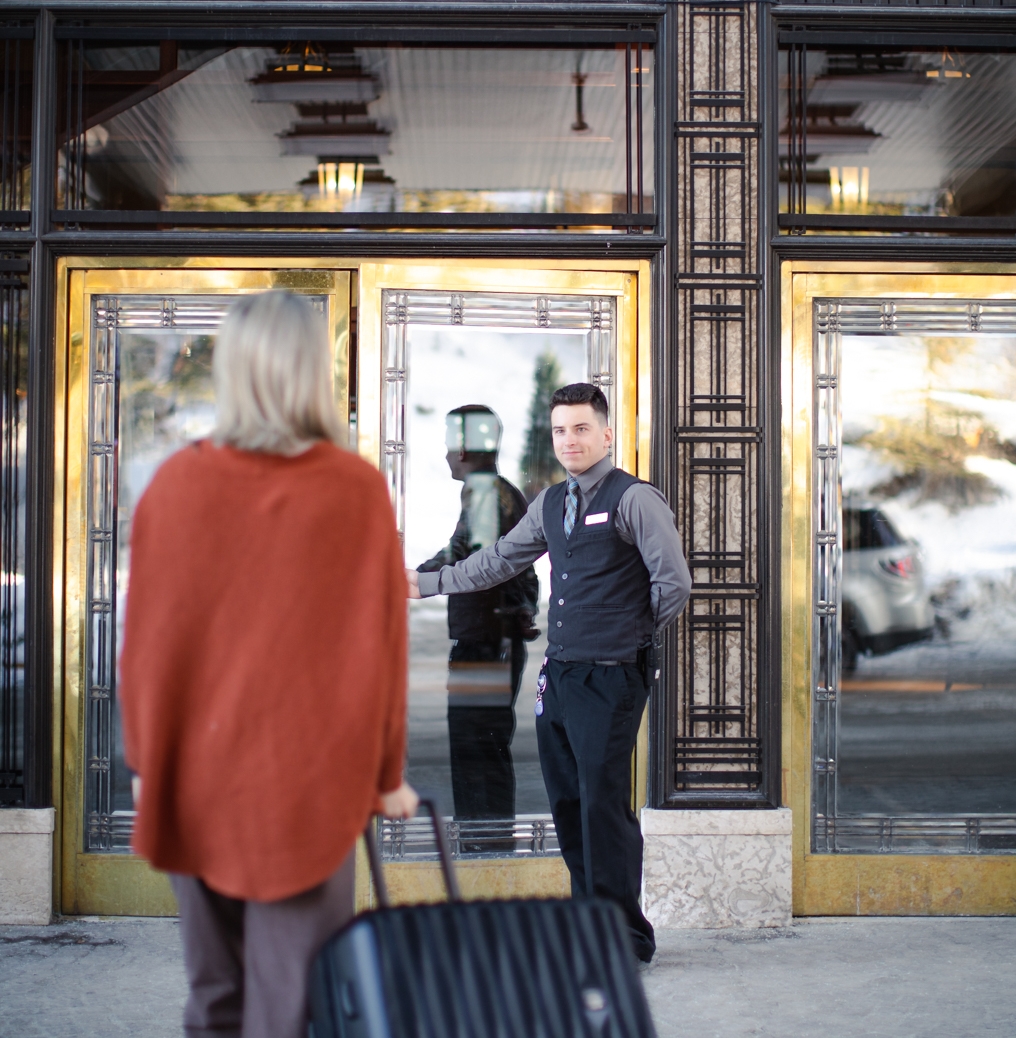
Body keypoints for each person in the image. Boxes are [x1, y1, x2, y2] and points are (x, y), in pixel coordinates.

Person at [120, 291, 418, 1038]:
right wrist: (385, 777)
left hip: (195, 776)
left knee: (214, 997)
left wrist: (146, 761)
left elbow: (146, 650)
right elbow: (380, 651)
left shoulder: (175, 488)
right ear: (313, 372)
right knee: (292, 1006)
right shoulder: (355, 491)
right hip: (308, 786)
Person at [407, 382, 691, 963]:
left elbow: (674, 586)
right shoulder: (550, 502)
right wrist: (423, 583)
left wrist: (631, 638)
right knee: (567, 803)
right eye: (561, 430)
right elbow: (496, 560)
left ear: (606, 434)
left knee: (602, 804)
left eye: (582, 428)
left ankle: (626, 936)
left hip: (612, 676)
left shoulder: (636, 499)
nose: (570, 440)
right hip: (558, 675)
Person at [416, 406, 539, 849]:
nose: (447, 454)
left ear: (464, 448)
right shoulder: (494, 491)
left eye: (451, 443)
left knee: (477, 746)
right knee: (484, 743)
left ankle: (484, 847)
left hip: (487, 641)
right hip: (494, 637)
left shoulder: (486, 492)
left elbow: (474, 559)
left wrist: (411, 580)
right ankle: (487, 843)